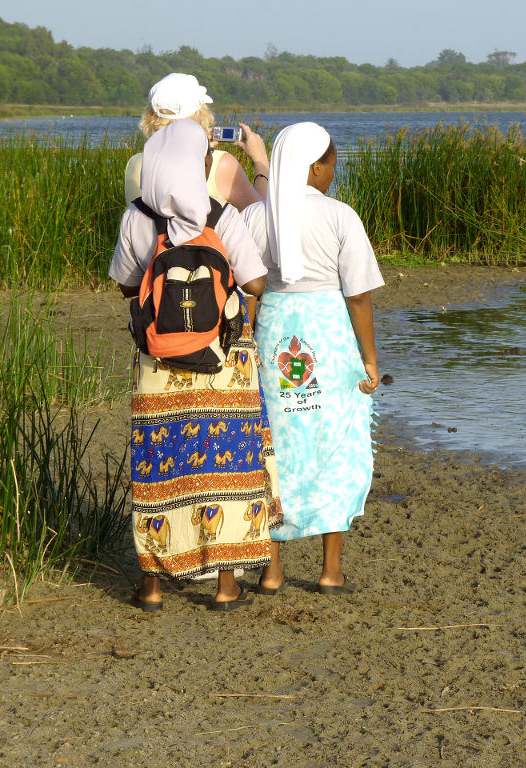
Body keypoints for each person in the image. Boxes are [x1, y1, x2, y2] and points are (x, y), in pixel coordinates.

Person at [109, 119, 280, 611]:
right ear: (199, 165)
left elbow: (124, 284)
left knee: (160, 465)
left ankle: (153, 586)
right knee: (224, 462)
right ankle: (226, 586)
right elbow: (256, 284)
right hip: (222, 364)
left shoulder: (137, 217)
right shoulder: (220, 215)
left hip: (159, 365)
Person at [242, 122, 383, 594]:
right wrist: (369, 358)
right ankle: (330, 570)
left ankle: (272, 570)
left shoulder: (256, 217)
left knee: (275, 446)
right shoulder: (341, 216)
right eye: (330, 168)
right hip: (328, 333)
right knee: (335, 444)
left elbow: (250, 293)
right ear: (315, 168)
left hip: (274, 333)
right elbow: (358, 296)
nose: (331, 177)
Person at [123, 72, 269, 211]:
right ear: (200, 113)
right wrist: (260, 160)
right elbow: (262, 217)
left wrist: (201, 150)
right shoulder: (222, 164)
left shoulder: (135, 163)